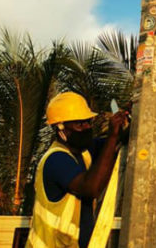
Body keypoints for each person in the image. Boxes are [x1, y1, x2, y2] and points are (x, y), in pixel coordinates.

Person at [26, 92, 130, 248]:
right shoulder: (56, 159)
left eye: (88, 121)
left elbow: (114, 143)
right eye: (79, 124)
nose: (87, 127)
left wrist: (130, 114)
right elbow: (91, 188)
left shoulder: (84, 153)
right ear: (60, 128)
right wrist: (112, 136)